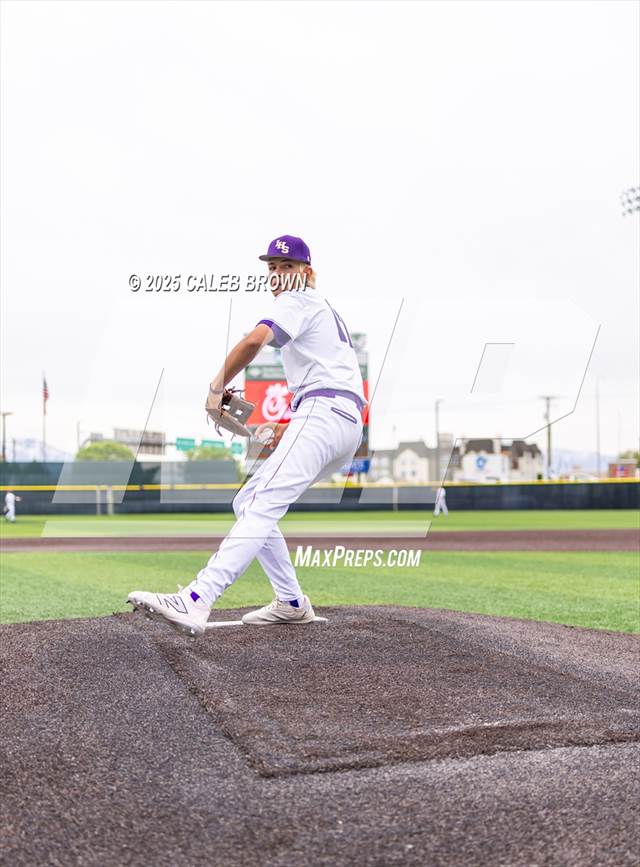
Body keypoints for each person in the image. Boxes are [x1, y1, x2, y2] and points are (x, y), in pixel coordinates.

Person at [128, 235, 366, 637]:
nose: (278, 275)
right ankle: (290, 602)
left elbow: (254, 340)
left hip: (326, 412)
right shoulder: (316, 307)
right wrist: (291, 422)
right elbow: (329, 376)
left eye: (286, 267)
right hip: (338, 418)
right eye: (272, 267)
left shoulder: (298, 298)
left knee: (260, 501)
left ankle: (196, 599)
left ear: (307, 274)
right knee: (248, 500)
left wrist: (216, 386)